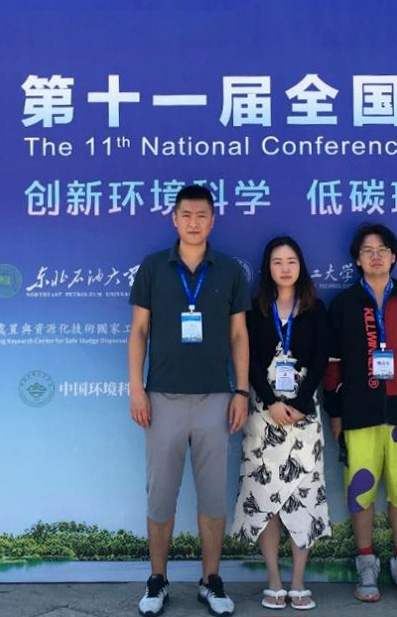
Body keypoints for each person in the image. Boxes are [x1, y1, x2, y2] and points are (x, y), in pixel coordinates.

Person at [128, 184, 250, 617]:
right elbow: (139, 331)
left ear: (212, 220)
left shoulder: (229, 270)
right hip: (162, 397)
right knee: (161, 494)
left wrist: (241, 390)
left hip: (216, 396)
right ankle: (157, 579)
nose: (194, 222)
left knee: (213, 496)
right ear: (174, 219)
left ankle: (210, 580)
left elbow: (239, 334)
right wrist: (136, 387)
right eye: (186, 215)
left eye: (202, 215)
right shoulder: (153, 267)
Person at [323, 223, 397, 603]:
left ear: (394, 256)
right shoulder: (343, 304)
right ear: (357, 259)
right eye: (368, 250)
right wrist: (336, 412)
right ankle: (366, 562)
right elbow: (332, 364)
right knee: (360, 489)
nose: (376, 256)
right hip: (358, 410)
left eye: (383, 250)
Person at [232, 236, 331, 611]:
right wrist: (271, 401)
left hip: (304, 418)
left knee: (303, 496)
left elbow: (321, 359)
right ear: (267, 268)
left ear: (300, 266)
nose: (285, 268)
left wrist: (301, 404)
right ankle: (273, 579)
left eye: (291, 261)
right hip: (263, 414)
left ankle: (299, 581)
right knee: (266, 497)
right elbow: (248, 360)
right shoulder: (255, 309)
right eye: (277, 262)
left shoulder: (315, 309)